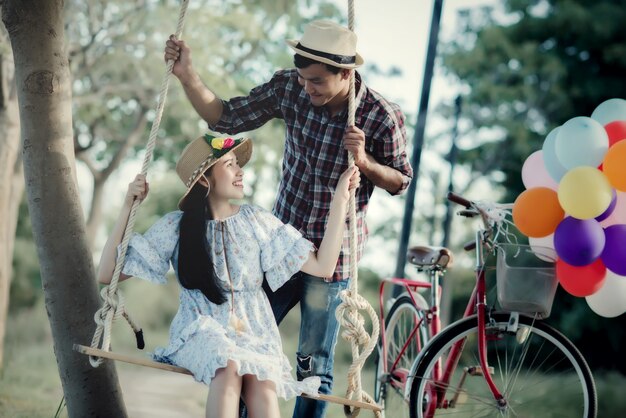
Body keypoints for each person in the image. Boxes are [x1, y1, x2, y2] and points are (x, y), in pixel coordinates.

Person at [164, 20, 413, 417]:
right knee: (245, 352)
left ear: (346, 74)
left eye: (316, 81)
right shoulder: (289, 89)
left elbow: (401, 181)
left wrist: (365, 161)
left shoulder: (381, 115)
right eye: (302, 78)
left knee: (314, 368)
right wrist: (188, 75)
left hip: (332, 260)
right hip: (278, 252)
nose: (306, 88)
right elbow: (225, 118)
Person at [97, 134, 360, 418]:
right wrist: (127, 205)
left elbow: (323, 267)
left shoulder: (256, 221)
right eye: (229, 164)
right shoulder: (176, 227)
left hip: (255, 333)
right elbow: (106, 273)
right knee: (229, 365)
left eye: (238, 164)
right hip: (201, 330)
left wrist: (340, 202)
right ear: (203, 179)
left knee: (262, 386)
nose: (240, 171)